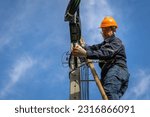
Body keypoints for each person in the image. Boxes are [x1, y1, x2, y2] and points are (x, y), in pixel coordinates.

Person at [72, 16, 130, 100]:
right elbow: (93, 48)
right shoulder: (104, 44)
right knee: (109, 98)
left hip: (117, 70)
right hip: (114, 74)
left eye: (107, 29)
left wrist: (85, 53)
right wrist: (83, 47)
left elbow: (106, 53)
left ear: (113, 30)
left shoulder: (116, 42)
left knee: (109, 93)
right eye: (103, 30)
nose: (104, 32)